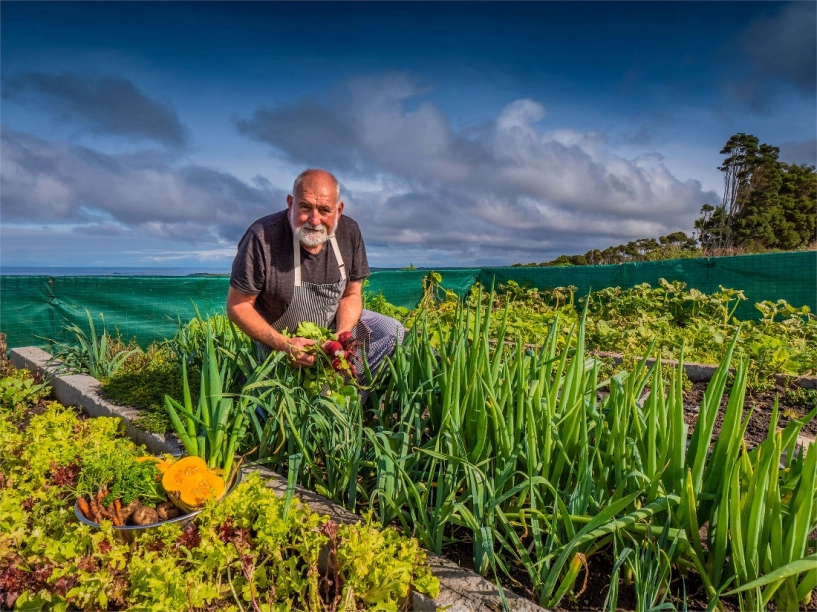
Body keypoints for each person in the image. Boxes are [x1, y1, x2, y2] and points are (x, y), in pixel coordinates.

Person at [226, 168, 404, 389]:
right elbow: (238, 305)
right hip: (281, 338)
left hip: (332, 328)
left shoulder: (349, 232)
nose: (314, 219)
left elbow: (351, 294)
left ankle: (351, 399)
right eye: (305, 207)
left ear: (338, 210)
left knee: (392, 331)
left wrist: (342, 335)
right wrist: (284, 345)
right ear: (291, 203)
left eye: (324, 210)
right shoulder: (262, 238)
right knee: (276, 406)